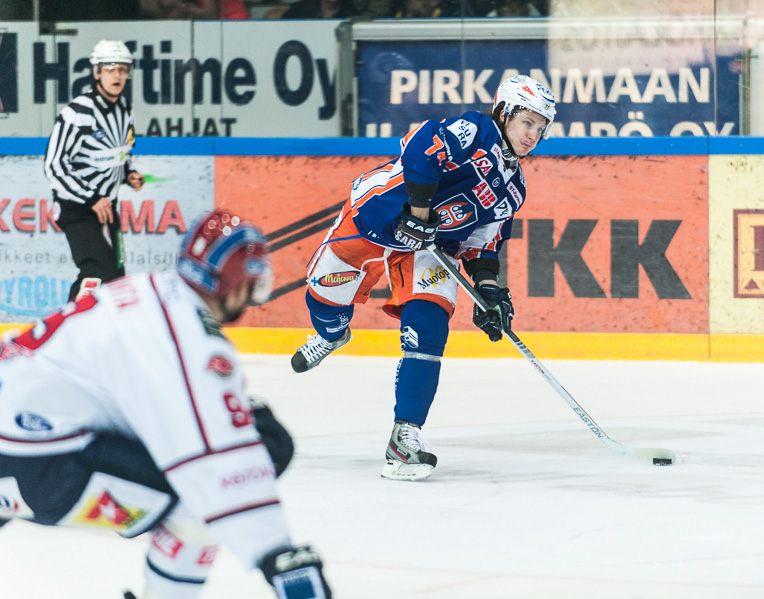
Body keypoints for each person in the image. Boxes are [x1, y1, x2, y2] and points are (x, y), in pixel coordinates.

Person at [0, 211, 331, 599]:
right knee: (202, 496)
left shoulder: (146, 291)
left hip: (22, 433)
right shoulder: (190, 336)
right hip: (35, 465)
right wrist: (275, 550)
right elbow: (215, 458)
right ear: (236, 284)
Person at [291, 75, 556, 481]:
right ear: (504, 112)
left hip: (431, 249)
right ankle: (331, 335)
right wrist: (418, 213)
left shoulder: (514, 190)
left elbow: (482, 245)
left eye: (541, 128)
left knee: (429, 325)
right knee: (323, 300)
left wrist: (490, 292)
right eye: (527, 123)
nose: (533, 135)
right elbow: (421, 145)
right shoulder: (475, 130)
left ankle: (405, 435)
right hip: (376, 217)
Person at [44, 40, 145, 303]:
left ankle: (105, 338)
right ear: (97, 72)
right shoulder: (77, 113)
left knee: (116, 278)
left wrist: (128, 174)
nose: (117, 75)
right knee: (96, 272)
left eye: (123, 70)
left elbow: (119, 154)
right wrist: (91, 197)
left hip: (107, 208)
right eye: (110, 69)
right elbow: (54, 165)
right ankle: (67, 331)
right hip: (77, 208)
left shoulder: (126, 112)